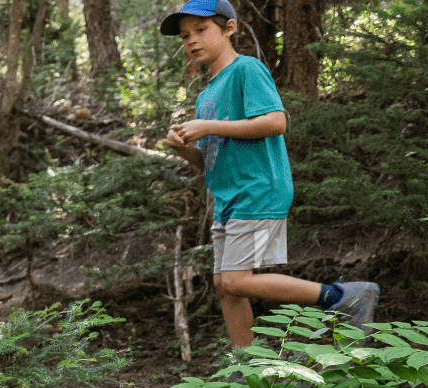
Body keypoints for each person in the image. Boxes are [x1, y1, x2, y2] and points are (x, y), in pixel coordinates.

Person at [160, 0, 379, 349]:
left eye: (201, 30)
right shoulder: (205, 96)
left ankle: (344, 296)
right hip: (228, 198)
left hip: (259, 189)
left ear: (229, 28)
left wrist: (208, 125)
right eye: (185, 36)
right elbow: (212, 158)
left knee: (235, 280)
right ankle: (246, 365)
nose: (192, 41)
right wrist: (183, 148)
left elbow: (277, 122)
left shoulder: (247, 69)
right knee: (224, 284)